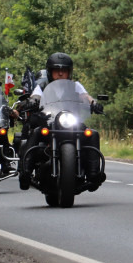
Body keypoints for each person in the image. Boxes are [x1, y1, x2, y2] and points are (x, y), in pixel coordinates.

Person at [17, 52, 104, 189]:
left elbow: (86, 96)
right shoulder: (43, 86)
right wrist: (31, 102)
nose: (61, 74)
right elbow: (36, 97)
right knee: (36, 132)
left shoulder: (75, 86)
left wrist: (94, 103)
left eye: (64, 70)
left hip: (71, 121)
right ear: (50, 72)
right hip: (50, 121)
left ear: (70, 72)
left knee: (92, 134)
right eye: (57, 70)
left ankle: (93, 174)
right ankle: (25, 172)